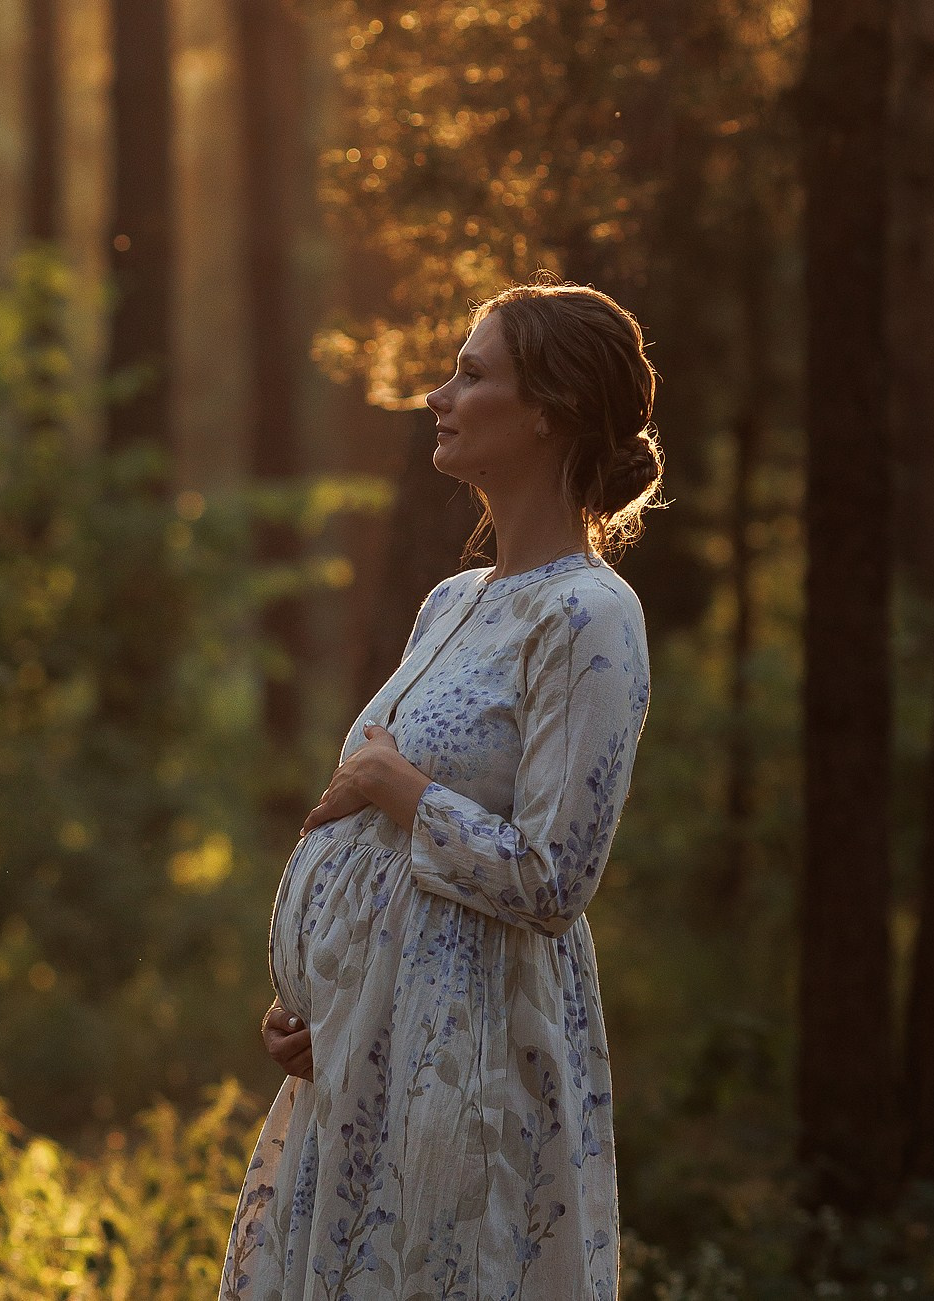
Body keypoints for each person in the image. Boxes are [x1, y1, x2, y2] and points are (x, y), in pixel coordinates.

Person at [219, 281, 663, 1301]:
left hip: (474, 1067)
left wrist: (398, 784)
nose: (435, 394)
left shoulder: (591, 613)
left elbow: (554, 879)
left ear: (544, 408)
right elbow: (384, 863)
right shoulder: (453, 600)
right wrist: (314, 1000)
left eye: (470, 374)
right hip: (368, 1058)